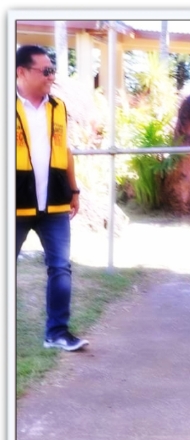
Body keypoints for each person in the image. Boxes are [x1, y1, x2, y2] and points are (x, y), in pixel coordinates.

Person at [16, 45, 88, 352]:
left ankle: (57, 332)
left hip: (55, 203)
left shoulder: (58, 107)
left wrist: (74, 190)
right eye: (45, 70)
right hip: (14, 204)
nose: (51, 76)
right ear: (21, 72)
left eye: (52, 70)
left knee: (60, 267)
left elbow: (65, 151)